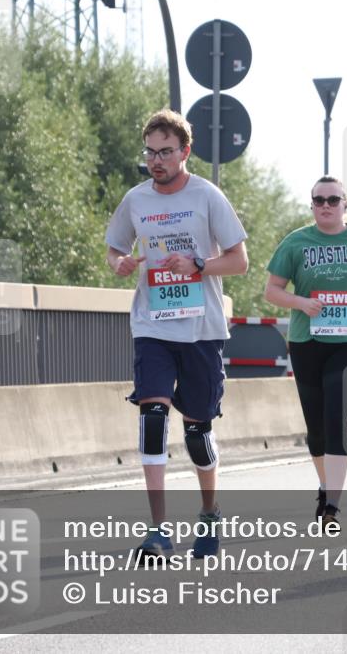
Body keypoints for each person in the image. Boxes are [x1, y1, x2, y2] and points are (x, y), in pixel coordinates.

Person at [105, 109, 248, 558]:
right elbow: (114, 247)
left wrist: (199, 264)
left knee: (197, 433)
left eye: (165, 152)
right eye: (150, 152)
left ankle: (209, 513)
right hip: (152, 325)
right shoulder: (136, 200)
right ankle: (158, 530)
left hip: (202, 328)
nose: (156, 160)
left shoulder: (208, 196)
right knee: (151, 417)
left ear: (185, 152)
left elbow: (239, 260)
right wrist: (120, 263)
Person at [264, 176, 347, 532]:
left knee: (337, 411)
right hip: (308, 340)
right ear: (312, 205)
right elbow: (272, 290)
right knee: (316, 427)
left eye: (333, 199)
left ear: (345, 204)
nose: (325, 205)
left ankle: (333, 506)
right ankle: (325, 487)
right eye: (319, 200)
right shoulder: (296, 242)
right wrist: (301, 302)